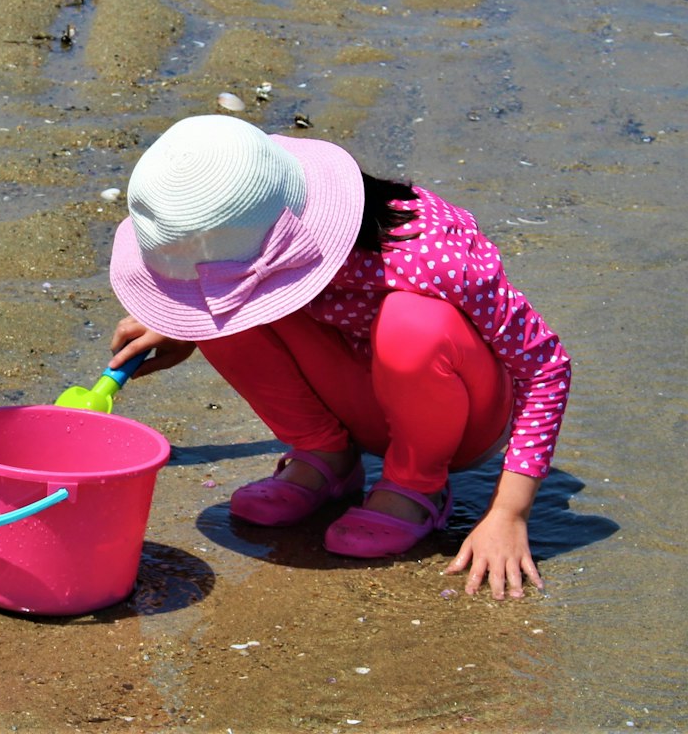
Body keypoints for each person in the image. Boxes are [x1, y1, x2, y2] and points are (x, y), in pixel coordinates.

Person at [105, 115, 569, 600]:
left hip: (460, 415)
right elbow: (229, 289)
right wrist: (185, 320)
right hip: (358, 395)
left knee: (411, 322)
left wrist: (508, 513)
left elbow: (547, 367)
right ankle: (325, 456)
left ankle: (416, 486)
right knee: (220, 310)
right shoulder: (253, 226)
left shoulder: (430, 252)